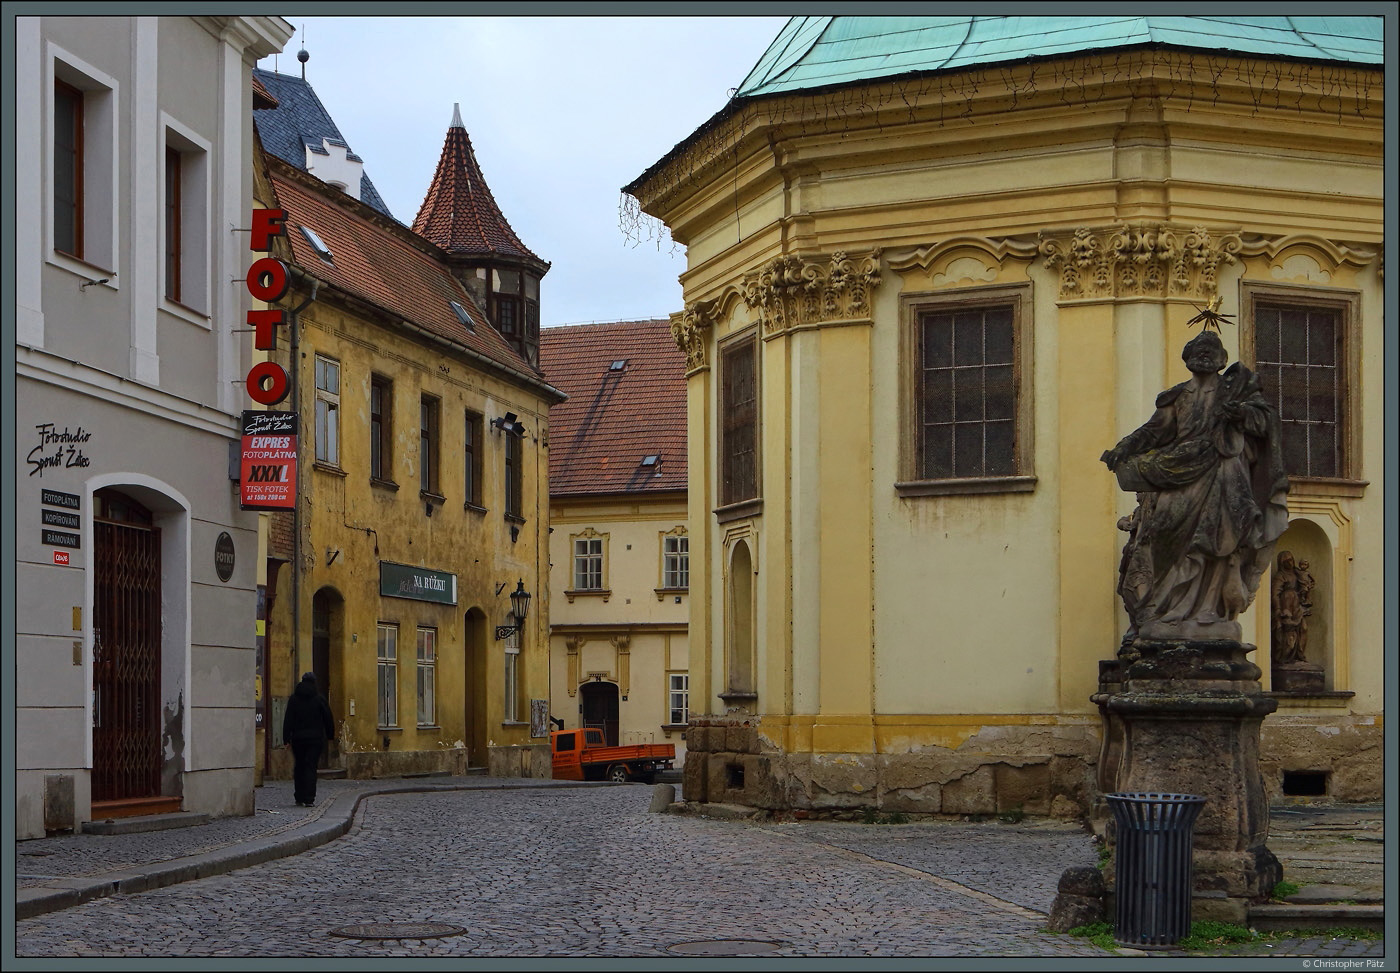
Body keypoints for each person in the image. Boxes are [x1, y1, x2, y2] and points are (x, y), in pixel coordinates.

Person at [1102, 329, 1288, 641]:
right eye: (1198, 351)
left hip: (1223, 474)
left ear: (1222, 360)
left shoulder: (1236, 394)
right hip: (1181, 472)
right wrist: (1123, 448)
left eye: (1210, 351)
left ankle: (1208, 612)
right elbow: (1152, 432)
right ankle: (1167, 608)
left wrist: (1240, 413)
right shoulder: (1177, 397)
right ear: (1187, 358)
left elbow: (1264, 422)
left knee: (1218, 539)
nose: (1203, 356)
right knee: (1163, 529)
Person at [282, 671, 335, 807]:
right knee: (311, 767)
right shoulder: (319, 698)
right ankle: (309, 798)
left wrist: (286, 738)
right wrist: (330, 735)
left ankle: (299, 796)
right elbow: (328, 718)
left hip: (298, 739)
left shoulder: (294, 699)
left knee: (299, 766)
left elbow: (288, 719)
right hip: (315, 739)